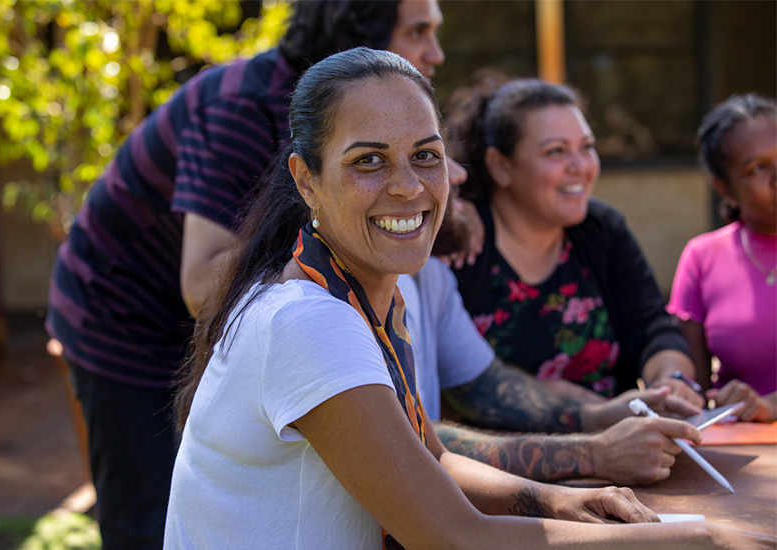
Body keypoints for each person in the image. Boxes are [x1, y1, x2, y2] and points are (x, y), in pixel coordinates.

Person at [165, 47, 773, 550]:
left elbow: (430, 459)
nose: (407, 187)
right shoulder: (306, 321)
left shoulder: (373, 294)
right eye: (368, 161)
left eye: (425, 156)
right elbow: (453, 537)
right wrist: (704, 539)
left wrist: (563, 499)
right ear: (307, 181)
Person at [44, 1, 447, 547]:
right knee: (145, 515)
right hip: (121, 318)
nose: (435, 53)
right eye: (418, 31)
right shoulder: (242, 107)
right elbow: (202, 282)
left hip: (216, 322)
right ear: (361, 25)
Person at [400, 174, 704, 485]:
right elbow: (411, 441)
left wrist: (602, 415)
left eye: (430, 153)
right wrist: (593, 455)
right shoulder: (357, 300)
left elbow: (484, 385)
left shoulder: (430, 274)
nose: (459, 172)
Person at [446, 73, 704, 406]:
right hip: (498, 454)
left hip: (620, 443)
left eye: (586, 147)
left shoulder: (602, 230)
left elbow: (653, 328)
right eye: (556, 151)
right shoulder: (462, 242)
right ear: (500, 166)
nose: (580, 166)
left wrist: (671, 381)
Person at [668, 93, 777, 422]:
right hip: (746, 452)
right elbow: (694, 393)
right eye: (758, 168)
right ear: (724, 187)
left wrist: (772, 406)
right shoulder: (703, 257)